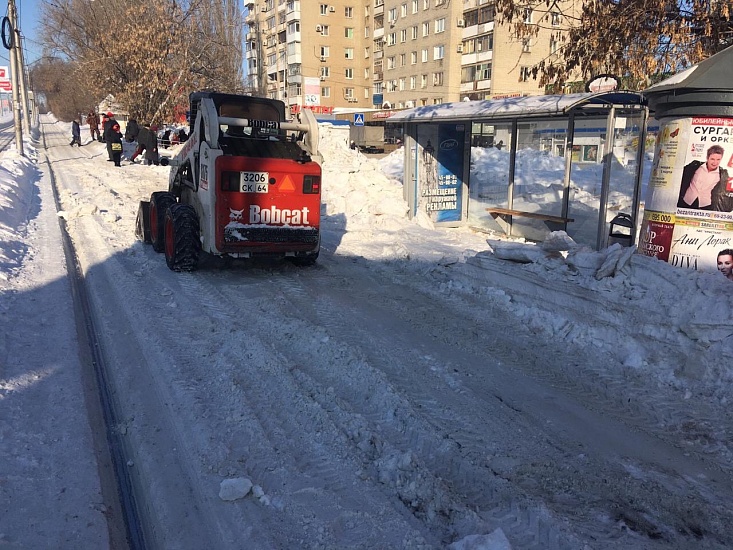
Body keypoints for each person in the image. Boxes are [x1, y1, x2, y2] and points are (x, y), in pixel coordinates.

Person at [678, 145, 732, 211]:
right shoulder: (695, 166)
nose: (715, 162)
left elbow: (727, 191)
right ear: (707, 157)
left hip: (706, 205)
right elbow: (679, 176)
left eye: (718, 159)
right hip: (686, 201)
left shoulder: (723, 174)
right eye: (712, 159)